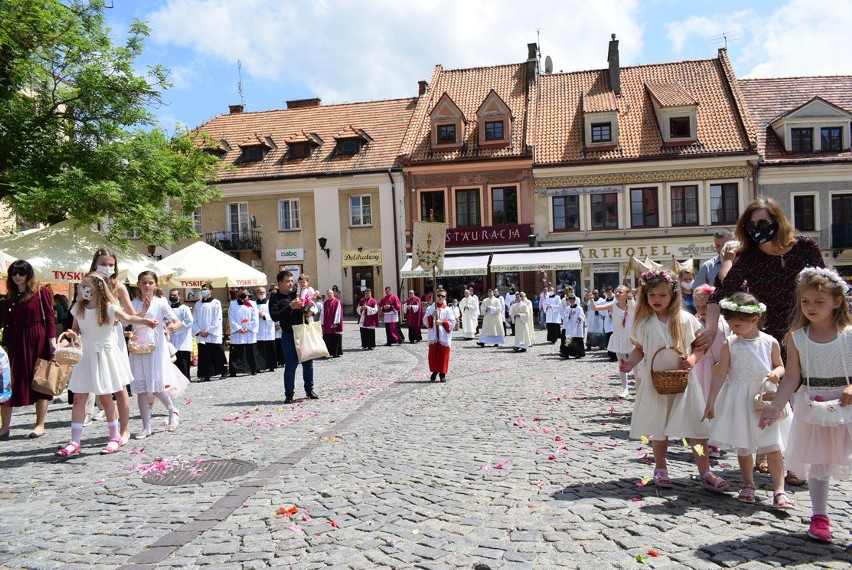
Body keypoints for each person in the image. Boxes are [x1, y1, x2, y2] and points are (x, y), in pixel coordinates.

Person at [703, 197, 823, 486]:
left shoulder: (804, 246)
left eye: (763, 223)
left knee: (801, 395)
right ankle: (770, 451)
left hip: (805, 329)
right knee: (772, 391)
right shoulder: (750, 257)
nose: (757, 229)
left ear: (777, 221)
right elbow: (721, 292)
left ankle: (795, 460)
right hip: (769, 333)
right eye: (751, 224)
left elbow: (824, 283)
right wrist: (709, 328)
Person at [760, 267, 852, 542]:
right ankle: (819, 517)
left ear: (837, 301)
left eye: (819, 302)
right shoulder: (798, 337)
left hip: (848, 408)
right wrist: (776, 406)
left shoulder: (848, 335)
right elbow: (791, 378)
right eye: (806, 301)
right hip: (815, 407)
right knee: (818, 465)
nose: (811, 307)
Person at [620, 269, 727, 493]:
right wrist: (630, 363)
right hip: (657, 384)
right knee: (660, 430)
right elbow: (639, 349)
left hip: (685, 384)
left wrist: (692, 360)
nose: (656, 300)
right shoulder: (644, 323)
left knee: (696, 430)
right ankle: (661, 467)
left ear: (673, 295)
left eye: (662, 295)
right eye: (651, 295)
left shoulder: (686, 320)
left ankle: (705, 469)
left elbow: (700, 347)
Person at [702, 292, 793, 508]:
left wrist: (776, 374)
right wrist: (711, 401)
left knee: (772, 445)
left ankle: (779, 489)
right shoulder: (730, 344)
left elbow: (780, 365)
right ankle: (748, 483)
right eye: (731, 325)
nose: (734, 329)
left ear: (754, 320)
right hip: (739, 398)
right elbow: (721, 373)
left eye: (738, 325)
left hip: (764, 396)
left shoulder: (769, 342)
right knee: (744, 445)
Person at [55, 272, 158, 457]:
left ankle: (114, 436)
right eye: (82, 285)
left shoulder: (109, 308)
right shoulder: (78, 307)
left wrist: (145, 320)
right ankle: (75, 441)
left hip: (104, 354)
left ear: (98, 288)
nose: (82, 288)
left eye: (86, 285)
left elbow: (128, 318)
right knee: (79, 398)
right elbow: (76, 329)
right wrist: (70, 336)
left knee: (105, 398)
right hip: (85, 356)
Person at [0, 260, 57, 439]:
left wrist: (52, 341)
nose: (17, 276)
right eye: (14, 273)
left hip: (37, 339)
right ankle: (4, 427)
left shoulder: (41, 292)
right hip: (16, 342)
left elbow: (49, 318)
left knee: (40, 381)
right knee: (9, 382)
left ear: (28, 275)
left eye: (21, 273)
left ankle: (40, 424)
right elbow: (7, 324)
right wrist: (5, 347)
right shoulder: (9, 297)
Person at [129, 271, 181, 439]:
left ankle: (172, 410)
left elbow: (175, 320)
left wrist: (174, 326)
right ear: (138, 284)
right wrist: (141, 313)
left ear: (156, 284)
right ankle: (146, 426)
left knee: (156, 387)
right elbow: (126, 321)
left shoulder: (160, 303)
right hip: (138, 347)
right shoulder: (134, 303)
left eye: (150, 282)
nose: (147, 286)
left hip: (155, 347)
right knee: (142, 389)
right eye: (144, 282)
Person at [269, 270, 318, 403]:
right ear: (280, 283)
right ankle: (289, 394)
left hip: (303, 332)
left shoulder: (296, 293)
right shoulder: (275, 298)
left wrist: (310, 312)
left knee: (308, 363)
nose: (291, 284)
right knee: (291, 365)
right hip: (289, 334)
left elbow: (311, 304)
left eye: (292, 281)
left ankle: (309, 389)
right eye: (287, 281)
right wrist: (290, 307)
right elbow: (275, 316)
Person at [693, 284, 727, 459]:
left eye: (705, 306)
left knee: (720, 402)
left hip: (720, 367)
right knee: (705, 401)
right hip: (703, 367)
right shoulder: (696, 322)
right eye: (698, 307)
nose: (701, 310)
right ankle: (710, 440)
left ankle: (719, 436)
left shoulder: (723, 322)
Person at [589, 286, 634, 397]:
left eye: (620, 292)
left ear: (626, 294)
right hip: (619, 337)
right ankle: (625, 389)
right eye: (616, 292)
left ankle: (639, 388)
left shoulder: (633, 305)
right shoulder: (612, 306)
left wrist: (632, 298)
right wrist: (591, 299)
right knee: (622, 364)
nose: (617, 293)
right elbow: (595, 308)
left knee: (636, 364)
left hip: (632, 338)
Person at [192, 282, 228, 382]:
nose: (203, 291)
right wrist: (199, 331)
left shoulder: (216, 302)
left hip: (212, 334)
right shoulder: (198, 304)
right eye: (202, 289)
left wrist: (209, 331)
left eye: (205, 289)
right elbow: (194, 319)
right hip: (201, 334)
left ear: (211, 291)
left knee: (218, 353)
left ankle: (223, 371)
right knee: (204, 355)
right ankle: (205, 374)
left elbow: (218, 318)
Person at [423, 288, 456, 382]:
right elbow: (425, 322)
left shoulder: (448, 310)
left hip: (444, 336)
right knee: (433, 355)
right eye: (439, 295)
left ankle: (442, 373)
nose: (440, 297)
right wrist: (432, 316)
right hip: (434, 335)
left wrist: (442, 322)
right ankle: (434, 371)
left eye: (443, 296)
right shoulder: (430, 308)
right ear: (435, 296)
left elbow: (452, 323)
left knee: (443, 355)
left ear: (445, 297)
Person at [228, 286, 259, 377]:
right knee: (237, 352)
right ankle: (234, 370)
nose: (243, 295)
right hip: (238, 332)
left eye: (244, 293)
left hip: (249, 332)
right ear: (238, 294)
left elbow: (255, 317)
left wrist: (248, 327)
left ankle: (252, 369)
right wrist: (238, 328)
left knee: (250, 351)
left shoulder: (252, 304)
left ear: (248, 294)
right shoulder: (233, 304)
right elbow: (231, 317)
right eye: (241, 293)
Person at [168, 290, 194, 381]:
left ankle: (186, 379)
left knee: (183, 361)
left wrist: (177, 328)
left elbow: (189, 321)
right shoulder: (167, 308)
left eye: (174, 295)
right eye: (171, 295)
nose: (172, 297)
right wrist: (168, 326)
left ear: (179, 296)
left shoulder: (184, 308)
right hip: (171, 337)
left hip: (183, 339)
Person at [254, 286, 278, 372]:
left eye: (263, 292)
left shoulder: (269, 303)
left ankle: (271, 365)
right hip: (259, 328)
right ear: (257, 294)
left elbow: (273, 314)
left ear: (266, 293)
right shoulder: (254, 304)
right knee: (259, 348)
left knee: (269, 347)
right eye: (260, 292)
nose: (262, 294)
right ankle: (260, 366)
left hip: (268, 327)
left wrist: (265, 316)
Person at [559, 294, 586, 359]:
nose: (571, 302)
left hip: (577, 327)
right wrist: (569, 314)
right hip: (570, 327)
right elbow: (564, 317)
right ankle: (566, 354)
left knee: (577, 340)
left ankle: (578, 354)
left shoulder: (579, 308)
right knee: (568, 340)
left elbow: (583, 316)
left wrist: (580, 318)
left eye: (572, 300)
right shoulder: (567, 308)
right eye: (570, 300)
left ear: (575, 300)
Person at [321, 288, 343, 358]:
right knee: (327, 338)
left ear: (333, 294)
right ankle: (327, 352)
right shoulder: (325, 302)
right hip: (327, 323)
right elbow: (322, 313)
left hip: (334, 322)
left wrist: (336, 322)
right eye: (328, 294)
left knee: (335, 337)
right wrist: (322, 322)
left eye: (330, 293)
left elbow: (338, 312)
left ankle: (335, 353)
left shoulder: (337, 301)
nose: (329, 295)